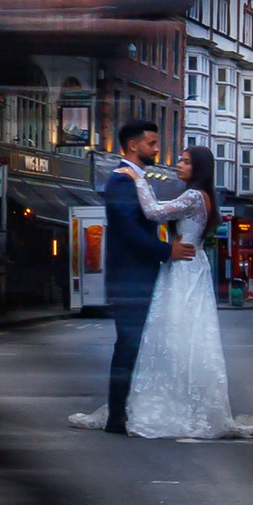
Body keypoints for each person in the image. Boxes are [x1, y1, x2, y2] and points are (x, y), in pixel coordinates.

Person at [117, 146, 253, 439]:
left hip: (184, 269)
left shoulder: (194, 196)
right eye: (181, 160)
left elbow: (154, 211)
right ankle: (184, 399)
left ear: (199, 168)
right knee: (187, 333)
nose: (179, 165)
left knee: (175, 331)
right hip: (191, 264)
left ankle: (176, 404)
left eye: (185, 162)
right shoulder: (200, 196)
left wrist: (138, 179)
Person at [71, 122, 183, 433]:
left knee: (137, 345)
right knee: (128, 344)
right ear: (133, 146)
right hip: (129, 279)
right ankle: (117, 416)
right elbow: (128, 231)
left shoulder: (137, 179)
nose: (157, 148)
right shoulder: (121, 182)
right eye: (152, 143)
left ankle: (129, 409)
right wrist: (166, 250)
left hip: (141, 276)